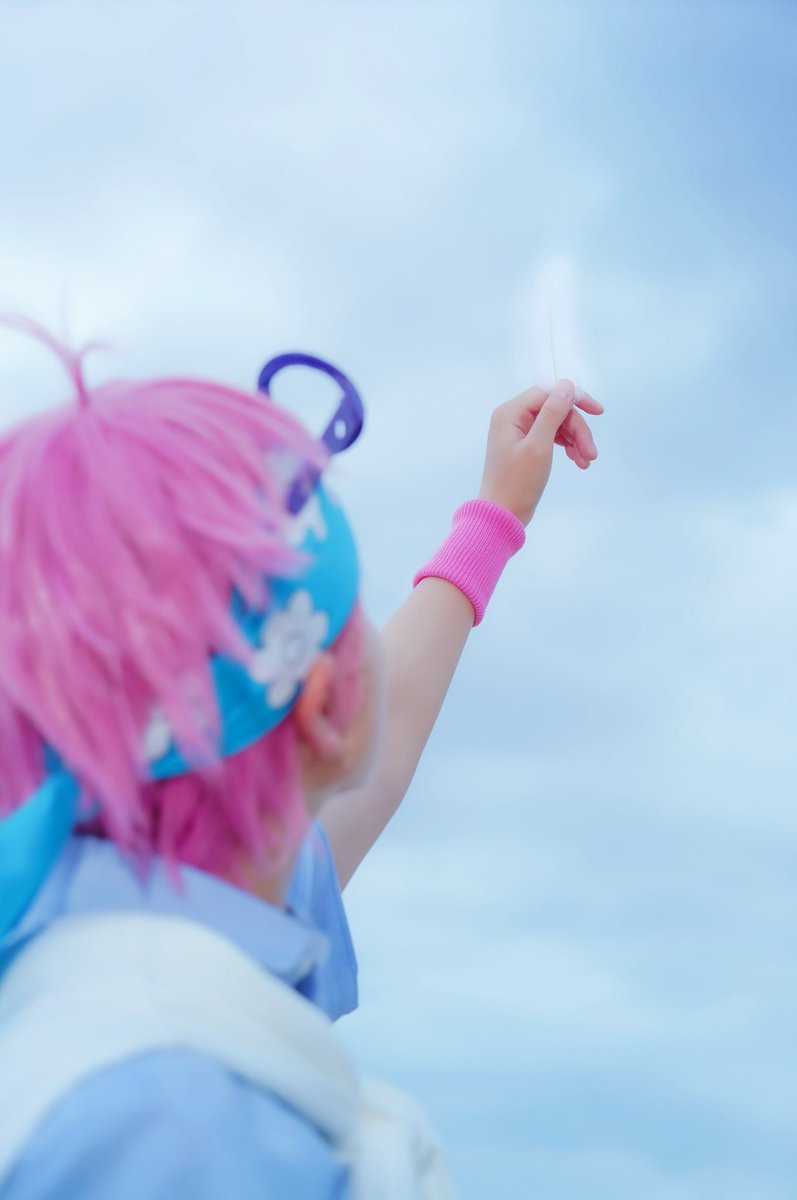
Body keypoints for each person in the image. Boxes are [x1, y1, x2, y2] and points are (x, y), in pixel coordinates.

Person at [0, 318, 602, 1198]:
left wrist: (496, 515)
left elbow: (375, 763)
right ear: (324, 711)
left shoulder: (96, 920)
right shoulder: (172, 1130)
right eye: (353, 610)